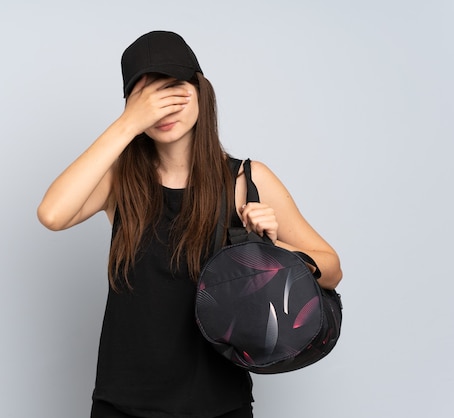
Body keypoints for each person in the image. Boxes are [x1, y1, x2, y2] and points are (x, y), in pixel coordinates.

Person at [37, 30, 342, 418]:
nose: (162, 107)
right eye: (145, 96)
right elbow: (52, 214)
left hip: (218, 404)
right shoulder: (119, 181)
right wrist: (127, 124)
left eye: (173, 88)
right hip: (123, 403)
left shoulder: (246, 181)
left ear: (201, 92)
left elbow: (331, 269)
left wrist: (273, 250)